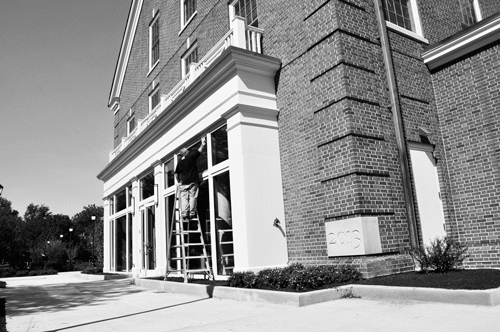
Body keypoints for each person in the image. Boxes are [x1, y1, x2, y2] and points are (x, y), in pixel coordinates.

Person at [175, 137, 206, 219]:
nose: (189, 151)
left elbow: (176, 174)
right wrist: (202, 144)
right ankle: (192, 213)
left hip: (183, 183)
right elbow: (199, 151)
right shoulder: (191, 157)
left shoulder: (180, 162)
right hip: (192, 182)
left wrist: (179, 181)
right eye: (187, 151)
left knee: (184, 198)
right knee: (192, 197)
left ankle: (184, 213)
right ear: (185, 153)